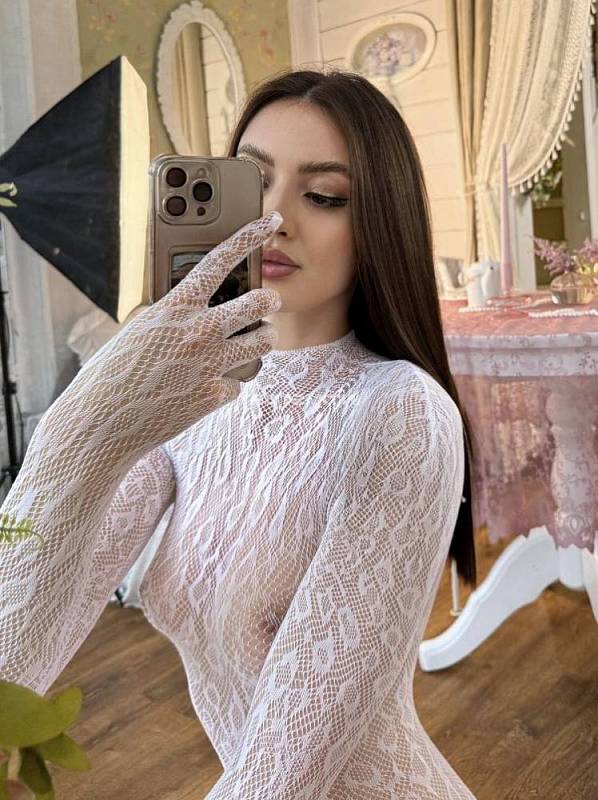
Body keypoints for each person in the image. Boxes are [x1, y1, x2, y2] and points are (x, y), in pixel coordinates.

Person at [0, 68, 478, 798]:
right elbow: (15, 666)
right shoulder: (192, 400)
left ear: (381, 223)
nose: (271, 219)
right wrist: (79, 430)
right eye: (249, 184)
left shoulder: (401, 413)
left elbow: (284, 770)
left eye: (325, 196)